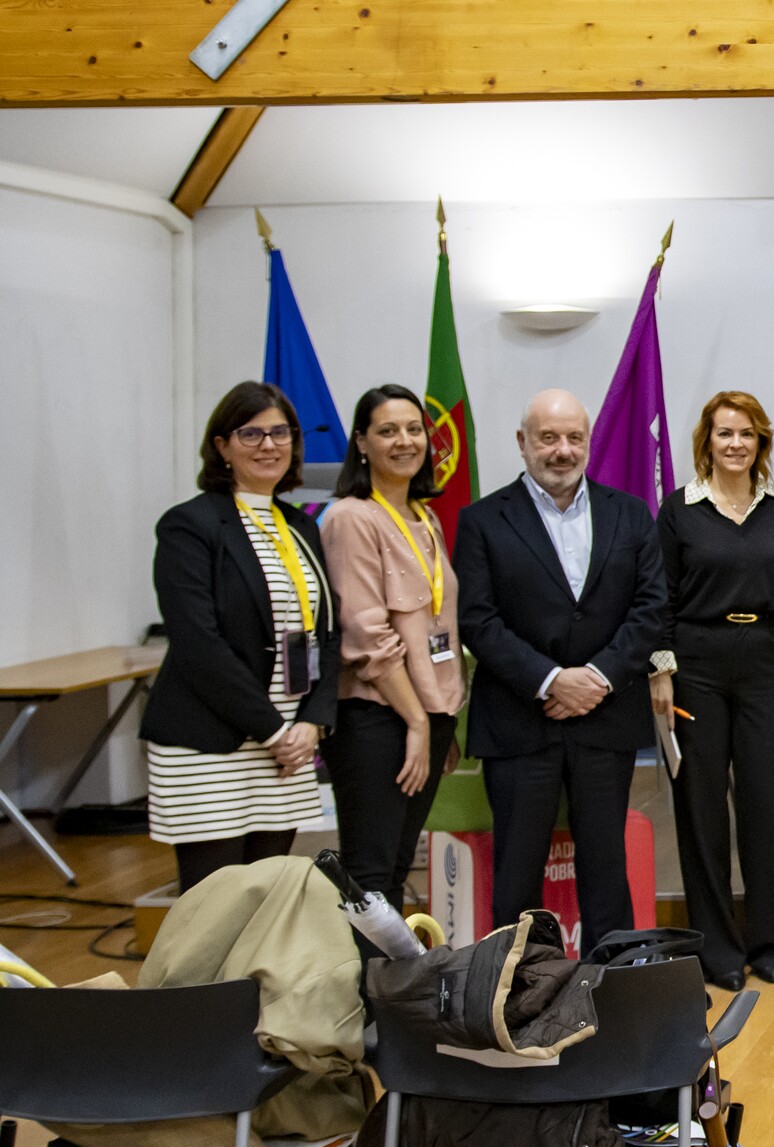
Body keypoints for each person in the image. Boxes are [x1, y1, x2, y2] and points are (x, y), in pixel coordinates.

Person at [454, 389, 668, 947]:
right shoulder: (481, 520)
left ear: (589, 443)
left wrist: (595, 678)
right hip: (521, 720)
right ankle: (515, 991)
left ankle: (613, 988)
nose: (562, 450)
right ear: (522, 443)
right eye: (547, 437)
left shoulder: (630, 513)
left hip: (605, 719)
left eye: (574, 437)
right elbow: (478, 620)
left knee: (606, 867)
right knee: (517, 874)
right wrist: (551, 680)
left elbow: (650, 610)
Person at [142, 382, 340, 893]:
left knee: (266, 900)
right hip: (213, 745)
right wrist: (274, 730)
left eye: (280, 432)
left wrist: (313, 722)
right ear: (222, 445)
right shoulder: (190, 525)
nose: (268, 445)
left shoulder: (300, 526)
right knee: (214, 907)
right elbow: (197, 643)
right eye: (251, 433)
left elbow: (327, 635)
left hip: (288, 747)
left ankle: (255, 979)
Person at [651, 392, 774, 991]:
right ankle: (715, 947)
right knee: (701, 808)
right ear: (706, 442)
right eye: (724, 434)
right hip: (696, 664)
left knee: (770, 802)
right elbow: (658, 597)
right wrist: (661, 671)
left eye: (747, 433)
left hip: (766, 658)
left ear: (760, 442)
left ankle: (769, 938)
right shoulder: (679, 510)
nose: (736, 443)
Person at [321, 385, 464, 905]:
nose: (404, 441)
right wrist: (417, 721)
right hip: (378, 719)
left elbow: (432, 631)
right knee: (371, 872)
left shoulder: (424, 518)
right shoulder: (351, 518)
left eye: (413, 429)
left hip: (424, 715)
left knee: (399, 864)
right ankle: (363, 987)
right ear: (361, 442)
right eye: (387, 431)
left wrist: (438, 718)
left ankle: (389, 985)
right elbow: (366, 636)